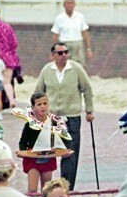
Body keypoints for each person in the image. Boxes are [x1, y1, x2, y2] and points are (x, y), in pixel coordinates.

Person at [37, 43, 94, 189]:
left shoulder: (75, 68)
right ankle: (47, 187)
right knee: (46, 152)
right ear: (53, 55)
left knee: (69, 153)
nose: (64, 55)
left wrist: (89, 110)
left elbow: (86, 88)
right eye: (60, 53)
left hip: (71, 117)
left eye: (66, 52)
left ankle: (67, 188)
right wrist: (37, 113)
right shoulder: (46, 70)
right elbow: (38, 92)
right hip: (51, 117)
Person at [14, 91, 68, 194]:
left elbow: (61, 138)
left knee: (46, 189)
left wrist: (63, 150)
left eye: (45, 104)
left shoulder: (53, 123)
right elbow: (23, 142)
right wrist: (22, 152)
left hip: (48, 157)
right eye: (39, 104)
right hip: (33, 159)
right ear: (33, 107)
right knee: (32, 189)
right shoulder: (29, 125)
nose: (43, 107)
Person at [50, 0, 92, 66]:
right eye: (67, 3)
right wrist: (53, 50)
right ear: (64, 5)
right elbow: (55, 35)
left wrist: (88, 48)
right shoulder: (59, 18)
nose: (69, 5)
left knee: (79, 64)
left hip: (78, 44)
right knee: (64, 64)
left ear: (74, 5)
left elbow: (85, 33)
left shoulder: (80, 16)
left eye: (71, 3)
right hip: (64, 44)